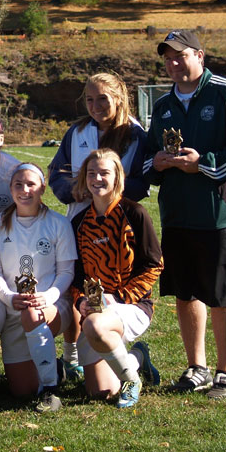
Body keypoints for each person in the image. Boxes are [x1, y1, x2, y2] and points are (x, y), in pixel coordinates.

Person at [144, 30, 226, 399]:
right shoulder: (163, 105)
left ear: (200, 55)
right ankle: (196, 366)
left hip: (219, 213)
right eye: (167, 58)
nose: (174, 63)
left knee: (221, 293)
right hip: (176, 214)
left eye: (180, 55)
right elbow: (148, 157)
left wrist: (204, 165)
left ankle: (225, 372)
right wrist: (158, 163)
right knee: (184, 292)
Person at [47, 73, 149, 380]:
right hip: (78, 222)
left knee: (104, 288)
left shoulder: (135, 134)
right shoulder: (77, 131)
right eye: (89, 99)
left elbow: (143, 182)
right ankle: (71, 357)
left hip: (116, 225)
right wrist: (72, 190)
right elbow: (56, 173)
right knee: (76, 284)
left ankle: (126, 351)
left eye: (102, 98)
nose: (95, 106)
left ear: (119, 98)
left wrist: (106, 192)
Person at [71, 149, 162, 409]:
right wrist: (81, 304)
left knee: (95, 326)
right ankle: (136, 358)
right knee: (100, 391)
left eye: (104, 173)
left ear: (117, 176)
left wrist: (119, 297)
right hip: (98, 312)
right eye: (92, 173)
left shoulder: (135, 213)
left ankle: (132, 380)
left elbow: (154, 265)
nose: (97, 178)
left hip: (132, 306)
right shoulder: (79, 222)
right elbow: (76, 276)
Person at [0, 163, 77, 412]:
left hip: (52, 306)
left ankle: (51, 391)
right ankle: (53, 368)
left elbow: (66, 272)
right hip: (13, 306)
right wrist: (8, 297)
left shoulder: (58, 223)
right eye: (18, 184)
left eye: (31, 184)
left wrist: (48, 297)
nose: (24, 190)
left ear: (42, 188)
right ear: (10, 188)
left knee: (32, 314)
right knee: (22, 391)